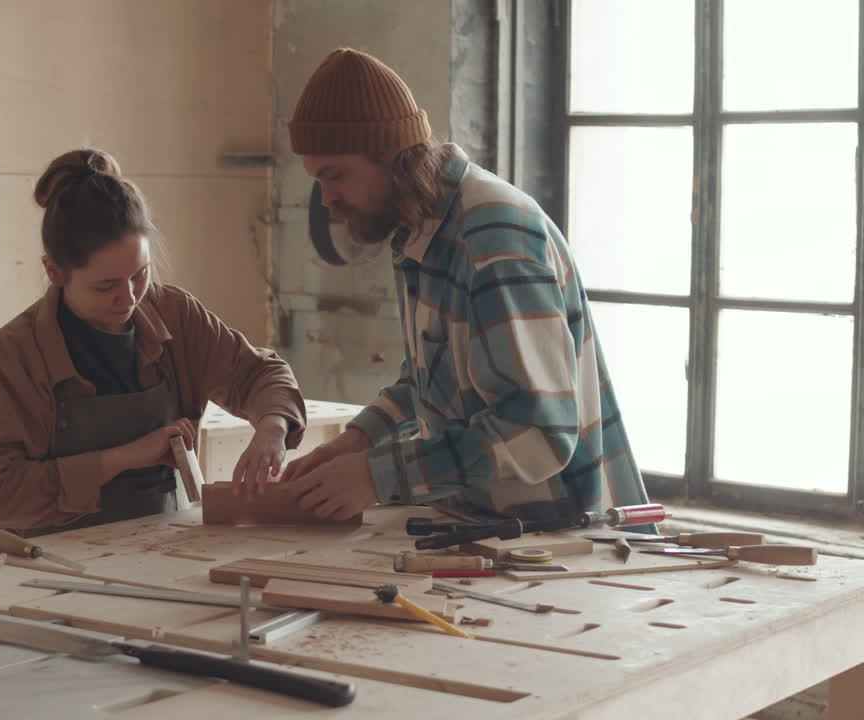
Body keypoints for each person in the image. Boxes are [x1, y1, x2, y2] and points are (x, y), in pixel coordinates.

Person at [275, 48, 652, 529]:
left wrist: (377, 476)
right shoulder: (421, 230)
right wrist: (356, 443)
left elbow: (539, 432)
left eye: (335, 175)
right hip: (486, 526)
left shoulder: (493, 240)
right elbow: (428, 383)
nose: (327, 198)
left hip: (565, 541)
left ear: (389, 153)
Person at [0, 148, 307, 536]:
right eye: (106, 286)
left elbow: (261, 373)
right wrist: (124, 458)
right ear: (54, 270)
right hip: (49, 563)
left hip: (157, 546)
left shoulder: (173, 313)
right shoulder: (13, 355)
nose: (129, 298)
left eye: (139, 275)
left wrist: (272, 429)